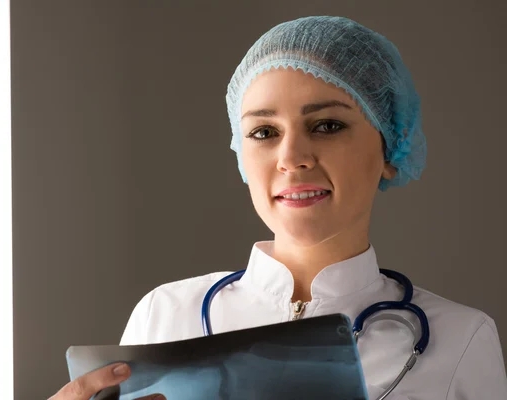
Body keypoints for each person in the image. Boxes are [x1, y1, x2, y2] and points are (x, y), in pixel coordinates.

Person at [50, 16, 507, 399]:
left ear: (391, 149)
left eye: (327, 125)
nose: (292, 158)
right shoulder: (165, 315)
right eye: (264, 133)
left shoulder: (460, 341)